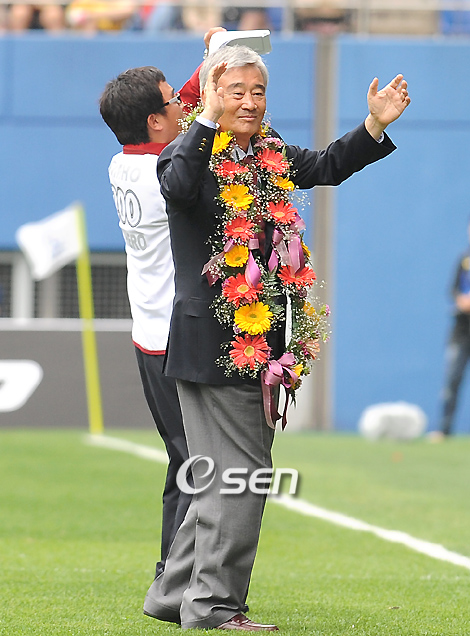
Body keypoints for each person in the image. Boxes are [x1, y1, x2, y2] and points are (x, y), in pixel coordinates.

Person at [143, 45, 410, 631]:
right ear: (212, 94)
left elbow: (325, 165)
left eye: (258, 91)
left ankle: (173, 593)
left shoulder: (268, 153)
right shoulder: (187, 153)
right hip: (216, 344)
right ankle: (213, 605)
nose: (249, 102)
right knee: (243, 480)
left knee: (222, 477)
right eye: (235, 90)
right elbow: (178, 187)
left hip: (257, 344)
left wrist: (373, 125)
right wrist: (206, 120)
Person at [98, 27, 224, 578]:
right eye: (171, 101)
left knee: (183, 458)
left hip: (149, 332)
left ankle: (171, 572)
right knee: (198, 462)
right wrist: (217, 77)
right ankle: (180, 578)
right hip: (176, 334)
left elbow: (187, 111)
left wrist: (211, 58)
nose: (182, 104)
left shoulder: (122, 163)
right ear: (155, 121)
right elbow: (198, 130)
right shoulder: (165, 175)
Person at [432, 221, 470, 440]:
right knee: (452, 381)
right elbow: (453, 289)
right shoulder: (464, 260)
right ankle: (444, 429)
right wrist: (461, 300)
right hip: (461, 330)